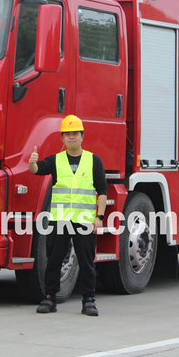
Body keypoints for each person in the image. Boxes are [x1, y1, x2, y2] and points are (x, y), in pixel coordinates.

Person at [28, 114, 107, 316]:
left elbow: (102, 191)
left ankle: (89, 300)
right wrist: (32, 163)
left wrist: (99, 218)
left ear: (82, 136)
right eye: (67, 134)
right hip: (60, 220)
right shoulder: (56, 160)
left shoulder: (93, 161)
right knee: (54, 260)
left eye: (75, 134)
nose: (72, 138)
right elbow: (37, 170)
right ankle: (50, 298)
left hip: (84, 220)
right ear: (62, 138)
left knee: (87, 261)